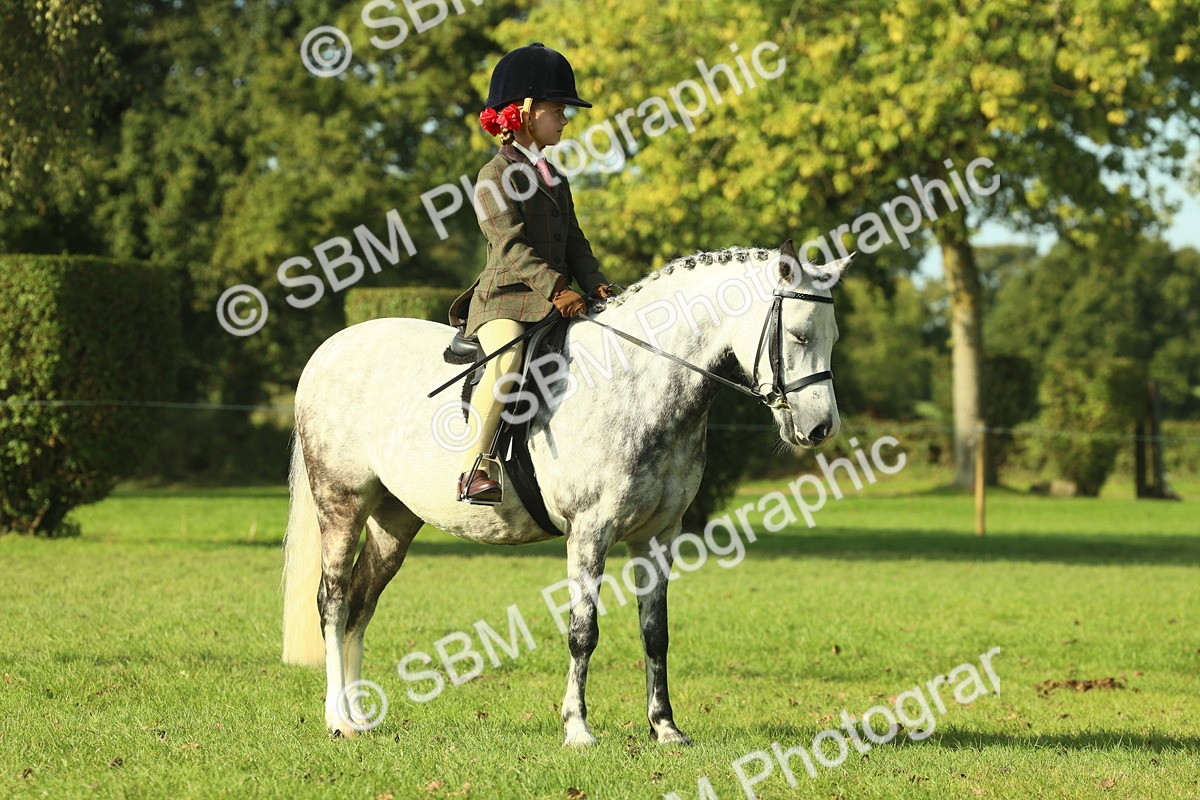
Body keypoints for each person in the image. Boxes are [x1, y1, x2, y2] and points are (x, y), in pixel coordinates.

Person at [448, 42, 614, 505]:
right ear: (522, 112)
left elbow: (575, 241)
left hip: (558, 297)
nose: (564, 120)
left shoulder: (555, 177)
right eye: (557, 110)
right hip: (507, 298)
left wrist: (596, 282)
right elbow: (511, 245)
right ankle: (473, 468)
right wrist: (558, 288)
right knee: (506, 359)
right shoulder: (493, 176)